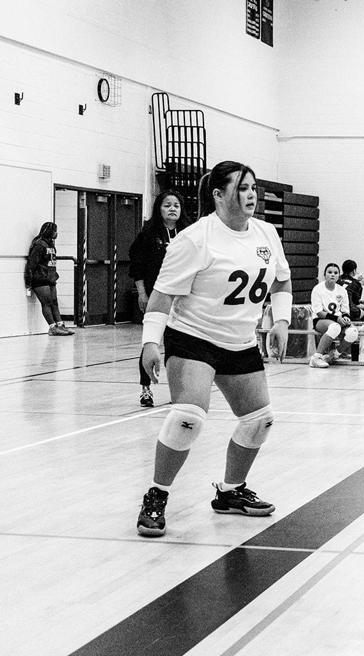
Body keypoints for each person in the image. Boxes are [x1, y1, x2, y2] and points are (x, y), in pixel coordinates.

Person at [135, 160, 292, 537]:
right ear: (218, 195)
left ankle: (231, 491)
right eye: (242, 188)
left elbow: (282, 281)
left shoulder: (267, 233)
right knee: (188, 416)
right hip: (193, 337)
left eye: (253, 187)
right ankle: (156, 496)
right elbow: (161, 296)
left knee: (260, 419)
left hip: (239, 340)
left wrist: (282, 322)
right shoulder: (195, 239)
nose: (251, 195)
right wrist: (150, 343)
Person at [129, 190, 193, 406]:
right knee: (151, 341)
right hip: (157, 295)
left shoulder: (190, 234)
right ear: (159, 208)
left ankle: (181, 388)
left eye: (176, 205)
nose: (172, 209)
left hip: (183, 298)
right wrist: (142, 293)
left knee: (180, 344)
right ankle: (145, 388)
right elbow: (137, 266)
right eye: (167, 205)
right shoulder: (148, 235)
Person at [24, 221, 73, 336]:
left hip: (50, 278)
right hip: (40, 279)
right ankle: (52, 327)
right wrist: (28, 282)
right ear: (50, 232)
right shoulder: (39, 245)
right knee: (46, 303)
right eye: (55, 231)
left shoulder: (50, 244)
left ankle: (60, 325)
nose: (56, 233)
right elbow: (31, 264)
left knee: (54, 302)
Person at [308, 262, 357, 368]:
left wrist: (346, 318)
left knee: (353, 332)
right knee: (335, 327)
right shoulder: (317, 289)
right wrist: (337, 319)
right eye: (329, 272)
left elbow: (345, 311)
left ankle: (333, 355)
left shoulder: (342, 290)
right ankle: (315, 358)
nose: (332, 275)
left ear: (339, 275)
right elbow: (319, 312)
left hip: (338, 320)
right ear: (324, 274)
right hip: (320, 320)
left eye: (335, 273)